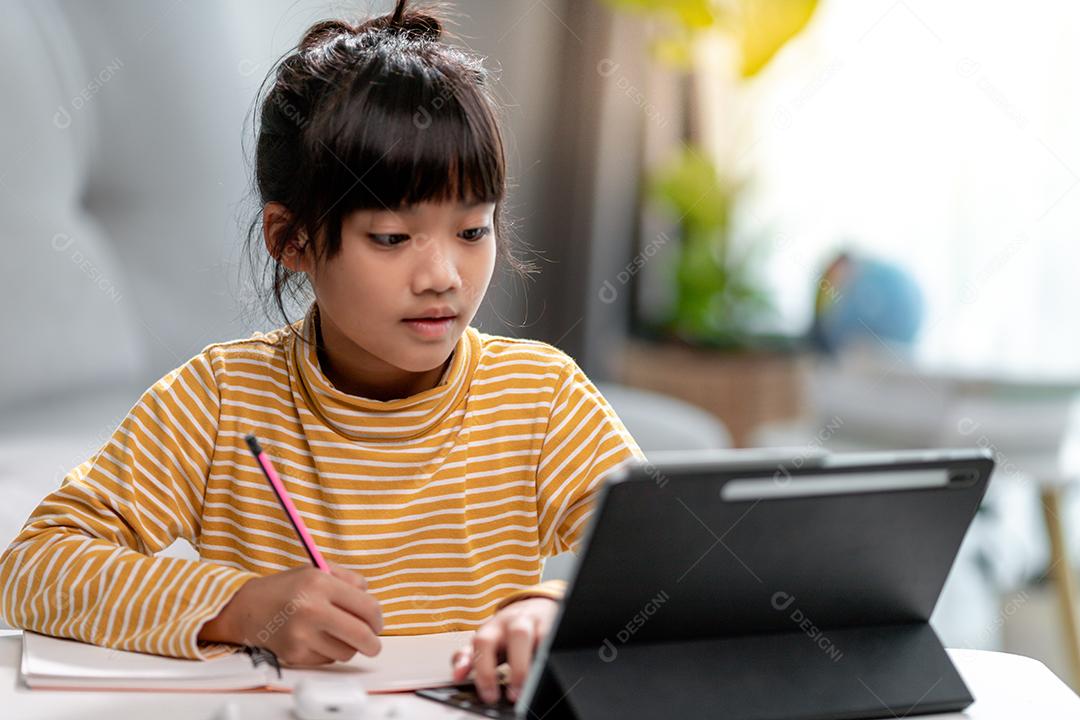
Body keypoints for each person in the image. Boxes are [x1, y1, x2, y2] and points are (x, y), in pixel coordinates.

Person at [0, 0, 645, 707]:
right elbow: (34, 568)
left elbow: (672, 562)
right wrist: (239, 607)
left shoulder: (540, 397)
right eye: (391, 238)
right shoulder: (221, 398)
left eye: (472, 231)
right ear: (292, 239)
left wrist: (553, 609)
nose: (443, 277)